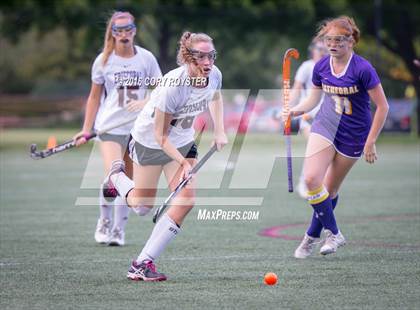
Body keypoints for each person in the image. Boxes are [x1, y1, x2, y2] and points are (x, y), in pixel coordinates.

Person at [102, 31, 227, 281]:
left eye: (210, 56)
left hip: (181, 141)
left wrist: (220, 131)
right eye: (200, 57)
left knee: (186, 200)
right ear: (188, 57)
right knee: (141, 207)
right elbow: (160, 136)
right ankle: (115, 178)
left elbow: (215, 96)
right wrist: (183, 163)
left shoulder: (214, 75)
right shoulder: (173, 86)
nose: (207, 62)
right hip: (150, 142)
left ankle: (142, 262)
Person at [283, 16, 389, 258]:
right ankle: (334, 233)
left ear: (350, 41)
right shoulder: (321, 66)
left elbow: (382, 107)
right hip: (325, 125)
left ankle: (310, 236)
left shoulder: (363, 69)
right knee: (311, 179)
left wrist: (370, 141)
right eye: (328, 39)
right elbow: (313, 100)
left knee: (329, 191)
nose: (331, 44)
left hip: (354, 133)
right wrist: (294, 111)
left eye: (338, 40)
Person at [73, 11, 162, 246]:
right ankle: (104, 221)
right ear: (112, 33)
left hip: (137, 130)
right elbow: (93, 98)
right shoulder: (103, 60)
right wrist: (86, 128)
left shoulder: (146, 58)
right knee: (115, 176)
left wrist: (145, 102)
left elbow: (161, 91)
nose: (123, 34)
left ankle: (118, 231)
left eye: (127, 29)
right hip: (110, 127)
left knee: (127, 182)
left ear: (134, 30)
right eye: (118, 30)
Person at [289, 38, 328, 198]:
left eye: (323, 49)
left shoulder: (331, 67)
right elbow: (296, 89)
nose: (320, 51)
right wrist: (288, 108)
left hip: (327, 117)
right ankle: (304, 182)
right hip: (308, 116)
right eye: (318, 48)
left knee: (325, 153)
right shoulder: (307, 67)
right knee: (315, 149)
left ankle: (318, 184)